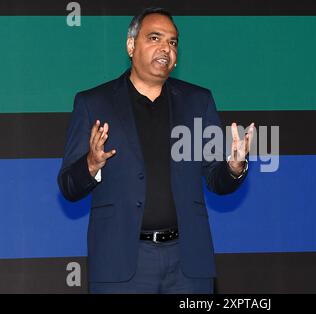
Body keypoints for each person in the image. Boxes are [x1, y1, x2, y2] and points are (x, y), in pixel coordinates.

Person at [57, 7, 254, 294]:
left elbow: (216, 179)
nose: (166, 48)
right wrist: (90, 164)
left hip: (188, 264)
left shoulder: (198, 101)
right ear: (131, 45)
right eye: (155, 38)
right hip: (121, 264)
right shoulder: (93, 103)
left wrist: (234, 168)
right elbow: (68, 186)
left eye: (173, 42)